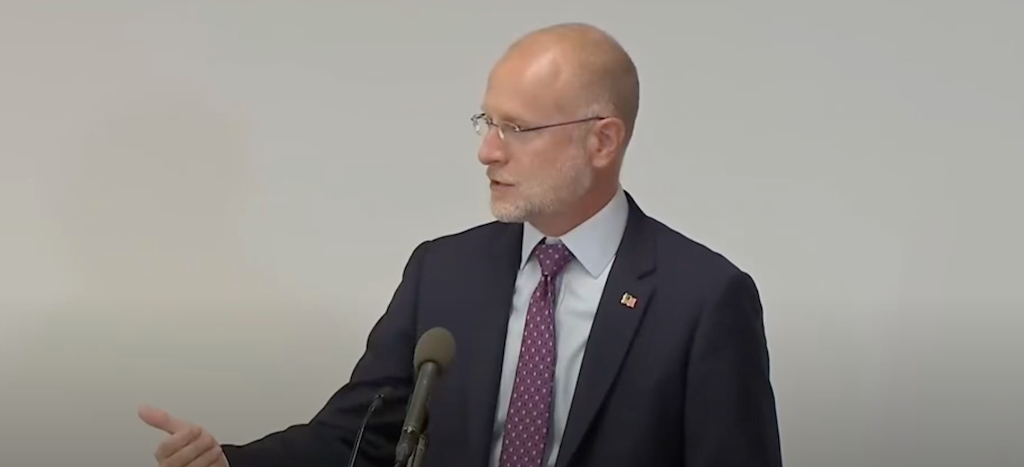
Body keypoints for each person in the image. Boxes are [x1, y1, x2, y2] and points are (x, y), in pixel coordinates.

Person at [139, 22, 783, 467]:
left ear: (602, 140)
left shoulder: (703, 299)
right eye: (487, 122)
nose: (488, 151)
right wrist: (231, 463)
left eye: (517, 128)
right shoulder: (444, 271)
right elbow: (358, 437)